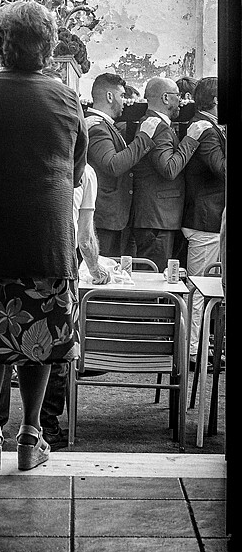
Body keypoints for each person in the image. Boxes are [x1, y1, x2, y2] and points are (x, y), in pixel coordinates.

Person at [0, 0, 88, 472]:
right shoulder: (67, 99)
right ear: (47, 48)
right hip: (44, 234)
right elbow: (75, 171)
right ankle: (30, 437)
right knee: (39, 334)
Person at [0, 157, 110, 448]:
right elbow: (84, 237)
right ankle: (45, 426)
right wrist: (96, 270)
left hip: (12, 255)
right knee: (55, 342)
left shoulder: (25, 161)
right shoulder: (85, 172)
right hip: (58, 258)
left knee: (2, 338)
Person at [127, 76, 207, 268]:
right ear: (165, 98)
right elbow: (169, 169)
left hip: (159, 217)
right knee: (151, 281)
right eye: (177, 96)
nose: (181, 101)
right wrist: (190, 140)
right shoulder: (157, 127)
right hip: (156, 219)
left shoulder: (158, 124)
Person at [85, 71, 163, 257]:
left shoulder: (106, 125)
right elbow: (113, 165)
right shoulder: (96, 126)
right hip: (106, 219)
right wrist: (144, 137)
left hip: (116, 217)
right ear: (110, 96)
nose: (125, 101)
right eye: (121, 95)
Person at [182, 76, 226, 362]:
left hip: (208, 218)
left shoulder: (207, 127)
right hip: (205, 220)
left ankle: (199, 347)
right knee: (198, 289)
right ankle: (193, 351)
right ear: (216, 101)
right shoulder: (206, 131)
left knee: (203, 288)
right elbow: (222, 169)